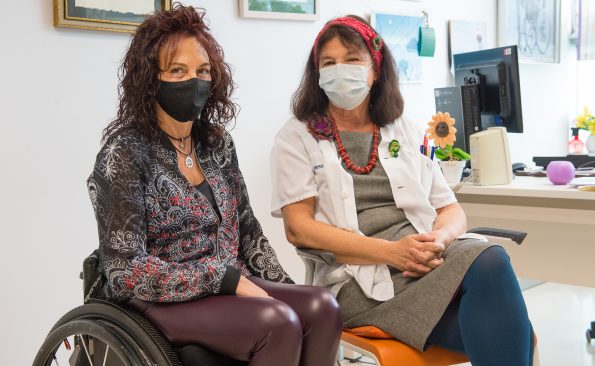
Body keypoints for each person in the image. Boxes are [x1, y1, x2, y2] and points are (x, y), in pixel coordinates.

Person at [270, 15, 535, 365]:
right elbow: (298, 227)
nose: (339, 70)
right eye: (328, 63)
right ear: (317, 73)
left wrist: (438, 241)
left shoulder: (402, 128)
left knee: (492, 273)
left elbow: (450, 209)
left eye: (351, 60)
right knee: (506, 321)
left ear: (375, 69)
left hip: (423, 264)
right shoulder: (296, 135)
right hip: (356, 281)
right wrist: (391, 252)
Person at [87, 5, 341, 366]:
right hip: (157, 298)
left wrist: (288, 292)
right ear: (150, 78)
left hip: (225, 287)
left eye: (202, 71)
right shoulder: (125, 153)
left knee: (321, 307)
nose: (195, 81)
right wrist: (222, 278)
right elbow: (125, 270)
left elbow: (249, 234)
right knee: (278, 324)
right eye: (178, 70)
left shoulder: (217, 146)